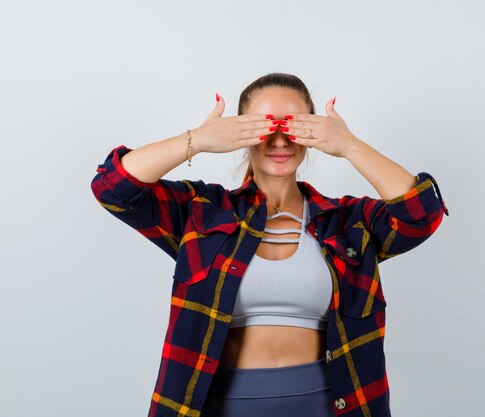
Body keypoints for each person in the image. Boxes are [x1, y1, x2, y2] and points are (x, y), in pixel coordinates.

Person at [90, 72, 448, 417]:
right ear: (241, 133)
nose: (280, 141)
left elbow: (420, 215)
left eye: (294, 127)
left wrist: (350, 146)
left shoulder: (348, 221)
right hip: (216, 404)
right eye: (264, 128)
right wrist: (197, 139)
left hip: (329, 404)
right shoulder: (203, 211)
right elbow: (112, 189)